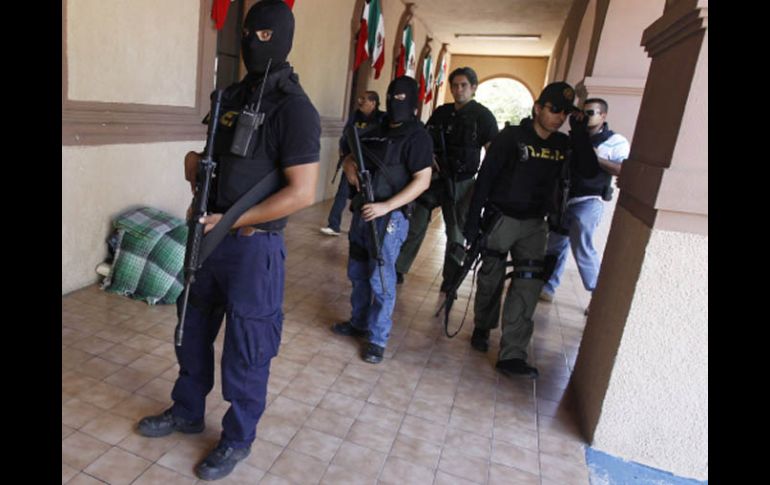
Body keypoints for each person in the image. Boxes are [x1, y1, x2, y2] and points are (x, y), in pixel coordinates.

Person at [136, 1, 320, 481]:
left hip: (254, 248)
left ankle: (238, 438)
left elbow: (302, 192)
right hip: (209, 238)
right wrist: (195, 176)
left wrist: (235, 220)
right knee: (192, 328)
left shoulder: (295, 108)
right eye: (247, 32)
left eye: (263, 35)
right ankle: (186, 411)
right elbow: (210, 160)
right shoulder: (231, 97)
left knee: (247, 345)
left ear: (280, 38)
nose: (250, 41)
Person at [463, 81, 599, 379]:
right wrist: (472, 223)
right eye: (554, 110)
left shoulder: (562, 144)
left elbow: (589, 171)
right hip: (502, 219)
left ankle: (512, 354)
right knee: (491, 279)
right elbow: (485, 179)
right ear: (538, 108)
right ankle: (483, 326)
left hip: (536, 224)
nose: (559, 117)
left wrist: (578, 132)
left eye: (565, 113)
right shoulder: (511, 137)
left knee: (528, 286)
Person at [331, 76, 432, 363]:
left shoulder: (418, 136)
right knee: (358, 271)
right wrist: (349, 165)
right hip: (364, 211)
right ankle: (359, 322)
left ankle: (377, 339)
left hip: (390, 218)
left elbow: (422, 181)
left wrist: (386, 206)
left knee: (381, 279)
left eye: (401, 98)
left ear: (412, 103)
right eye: (392, 97)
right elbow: (349, 153)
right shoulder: (376, 127)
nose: (395, 103)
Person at [395, 67, 498, 288]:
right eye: (455, 85)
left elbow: (492, 154)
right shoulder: (442, 112)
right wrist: (428, 157)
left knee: (455, 232)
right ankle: (399, 268)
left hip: (462, 182)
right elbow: (423, 140)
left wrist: (483, 186)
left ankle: (450, 280)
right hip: (435, 179)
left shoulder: (483, 116)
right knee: (416, 224)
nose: (458, 89)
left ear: (473, 88)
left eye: (463, 85)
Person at [539, 98, 630, 315]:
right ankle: (547, 287)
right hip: (564, 198)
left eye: (590, 113)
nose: (585, 117)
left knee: (582, 247)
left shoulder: (614, 141)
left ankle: (598, 296)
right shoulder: (574, 138)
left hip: (589, 200)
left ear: (603, 116)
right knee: (555, 245)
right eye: (583, 113)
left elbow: (623, 168)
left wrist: (596, 159)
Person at [320, 91, 386, 236]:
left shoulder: (382, 118)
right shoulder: (355, 115)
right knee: (342, 193)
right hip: (351, 162)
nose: (359, 101)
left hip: (369, 165)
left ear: (373, 103)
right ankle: (333, 225)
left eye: (364, 99)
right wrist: (343, 154)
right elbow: (346, 135)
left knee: (366, 196)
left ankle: (363, 230)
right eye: (360, 98)